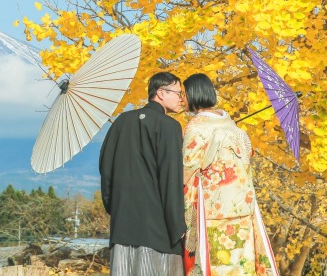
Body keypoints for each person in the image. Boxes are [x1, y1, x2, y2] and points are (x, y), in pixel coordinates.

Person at [182, 73, 278, 275]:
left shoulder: (196, 126)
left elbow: (187, 167)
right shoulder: (230, 123)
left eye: (184, 94)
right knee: (242, 262)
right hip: (242, 203)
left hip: (214, 208)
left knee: (218, 262)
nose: (182, 98)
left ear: (193, 94)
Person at [99, 71, 188, 275]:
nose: (181, 99)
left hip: (122, 227)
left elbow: (106, 168)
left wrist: (114, 206)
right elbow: (170, 179)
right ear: (161, 92)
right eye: (178, 92)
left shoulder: (122, 121)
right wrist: (177, 226)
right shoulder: (169, 126)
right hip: (157, 231)